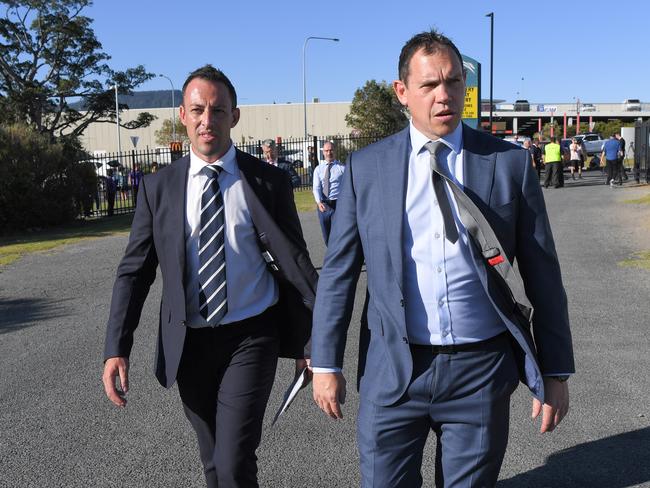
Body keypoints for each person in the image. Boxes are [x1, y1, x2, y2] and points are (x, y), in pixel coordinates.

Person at [310, 30, 574, 487]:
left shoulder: (507, 164)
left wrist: (554, 370)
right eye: (429, 85)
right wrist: (326, 363)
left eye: (453, 82)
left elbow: (542, 272)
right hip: (393, 367)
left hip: (480, 370)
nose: (443, 95)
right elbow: (339, 273)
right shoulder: (365, 169)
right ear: (402, 92)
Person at [102, 65, 317, 488]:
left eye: (218, 111)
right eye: (198, 110)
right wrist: (116, 347)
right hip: (190, 342)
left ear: (234, 117)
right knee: (214, 464)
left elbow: (297, 267)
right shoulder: (157, 188)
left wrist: (311, 343)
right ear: (182, 114)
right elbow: (135, 272)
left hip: (251, 336)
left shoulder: (268, 182)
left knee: (234, 459)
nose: (207, 120)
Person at [312, 141, 345, 244]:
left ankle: (340, 254)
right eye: (326, 151)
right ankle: (331, 250)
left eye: (331, 150)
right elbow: (316, 187)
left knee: (340, 231)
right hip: (324, 204)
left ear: (335, 151)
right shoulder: (318, 169)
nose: (329, 153)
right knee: (326, 233)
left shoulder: (342, 168)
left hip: (338, 203)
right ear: (323, 152)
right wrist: (319, 202)